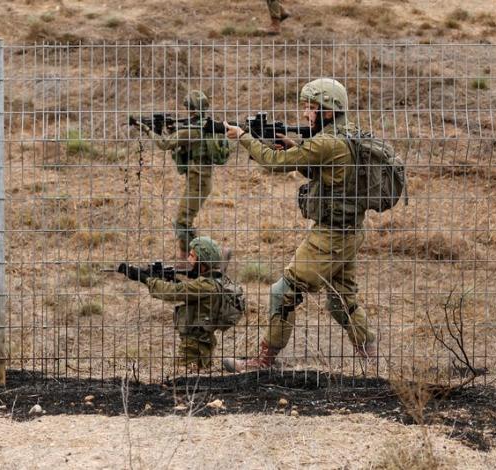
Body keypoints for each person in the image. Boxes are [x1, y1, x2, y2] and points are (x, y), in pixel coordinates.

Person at [221, 78, 377, 372]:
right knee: (342, 301)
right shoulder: (347, 133)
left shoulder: (326, 142)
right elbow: (326, 170)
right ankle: (372, 361)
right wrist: (293, 146)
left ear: (328, 110)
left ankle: (264, 362)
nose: (306, 114)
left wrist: (242, 136)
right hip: (350, 231)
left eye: (311, 107)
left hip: (331, 236)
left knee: (284, 291)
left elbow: (273, 162)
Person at [132, 90, 230, 267]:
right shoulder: (205, 126)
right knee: (185, 221)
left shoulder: (191, 131)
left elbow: (164, 144)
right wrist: (171, 130)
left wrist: (146, 129)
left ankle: (198, 257)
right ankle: (194, 256)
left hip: (197, 182)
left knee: (182, 221)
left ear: (191, 108)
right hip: (200, 180)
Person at [117, 237, 244, 371]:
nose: (188, 259)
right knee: (200, 376)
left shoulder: (205, 285)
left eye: (192, 256)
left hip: (193, 345)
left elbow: (171, 292)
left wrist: (145, 278)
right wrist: (175, 280)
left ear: (203, 261)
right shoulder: (216, 280)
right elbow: (191, 294)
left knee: (185, 378)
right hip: (202, 340)